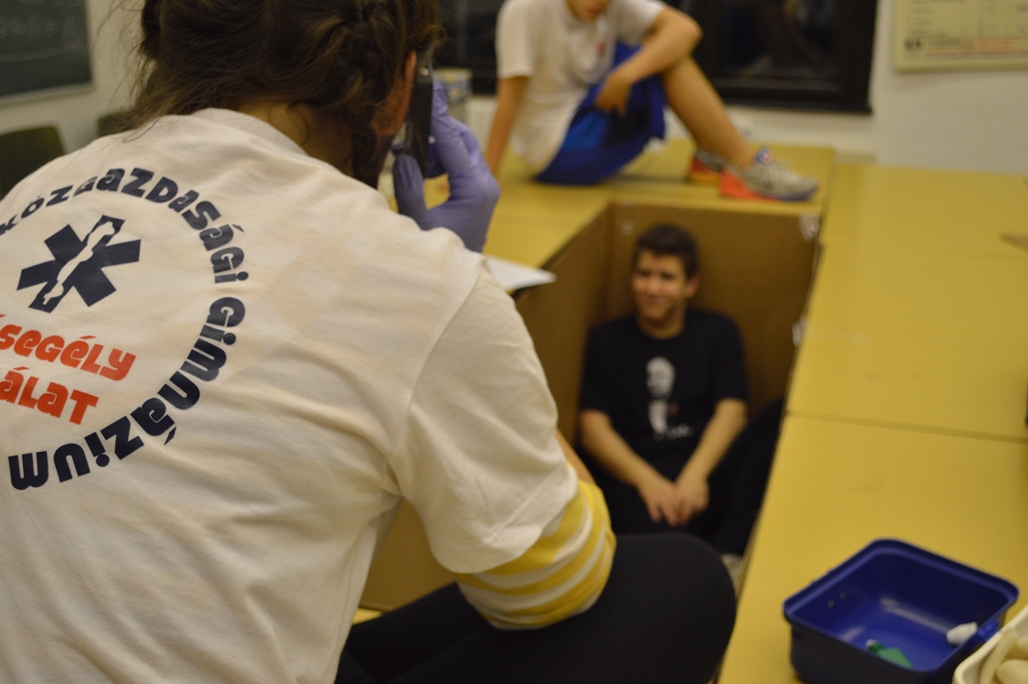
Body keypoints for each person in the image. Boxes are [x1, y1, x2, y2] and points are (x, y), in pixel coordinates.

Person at [0, 1, 734, 683]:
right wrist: (462, 307)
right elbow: (553, 585)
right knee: (681, 582)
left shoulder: (38, 190)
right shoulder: (409, 273)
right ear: (401, 89)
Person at [579, 224, 783, 574]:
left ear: (690, 285)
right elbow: (592, 429)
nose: (652, 288)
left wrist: (695, 475)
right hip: (639, 480)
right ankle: (699, 566)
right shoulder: (607, 340)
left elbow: (733, 411)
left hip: (704, 468)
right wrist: (648, 481)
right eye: (644, 274)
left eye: (667, 278)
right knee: (663, 552)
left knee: (779, 415)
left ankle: (728, 554)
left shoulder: (717, 332)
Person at [485, 0, 819, 201]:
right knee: (664, 58)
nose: (599, 3)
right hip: (554, 150)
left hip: (587, 112)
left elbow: (686, 30)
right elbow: (508, 99)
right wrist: (483, 183)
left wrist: (625, 75)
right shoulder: (526, 8)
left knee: (661, 47)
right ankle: (744, 165)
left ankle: (716, 157)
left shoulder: (612, 5)